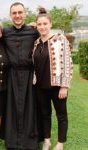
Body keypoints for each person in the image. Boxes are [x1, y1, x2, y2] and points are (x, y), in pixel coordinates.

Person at [0, 2, 40, 150]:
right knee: (12, 107)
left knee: (30, 108)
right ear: (10, 15)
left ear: (25, 14)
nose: (17, 16)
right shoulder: (5, 32)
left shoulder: (33, 31)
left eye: (20, 12)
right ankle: (12, 141)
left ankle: (29, 141)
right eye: (14, 13)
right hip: (11, 75)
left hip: (29, 75)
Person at [32, 7, 73, 150]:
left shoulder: (60, 40)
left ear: (50, 24)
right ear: (36, 26)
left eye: (45, 24)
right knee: (45, 114)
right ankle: (47, 141)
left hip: (57, 86)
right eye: (39, 24)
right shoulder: (36, 43)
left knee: (61, 115)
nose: (42, 27)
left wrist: (64, 86)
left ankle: (60, 143)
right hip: (40, 86)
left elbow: (68, 63)